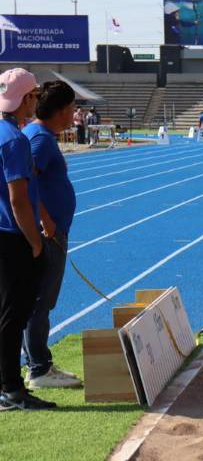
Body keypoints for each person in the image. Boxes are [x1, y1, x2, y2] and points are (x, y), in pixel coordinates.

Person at [0, 69, 55, 411]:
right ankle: (11, 389)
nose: (37, 100)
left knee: (6, 312)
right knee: (14, 315)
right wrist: (35, 241)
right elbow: (19, 199)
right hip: (12, 238)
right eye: (34, 95)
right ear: (25, 99)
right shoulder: (15, 141)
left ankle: (7, 385)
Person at [21, 81, 81, 389]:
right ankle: (40, 369)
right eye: (72, 107)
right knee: (39, 301)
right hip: (48, 234)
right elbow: (24, 181)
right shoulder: (40, 140)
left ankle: (37, 362)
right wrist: (46, 221)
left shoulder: (41, 135)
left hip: (52, 231)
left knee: (40, 301)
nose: (75, 113)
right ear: (60, 110)